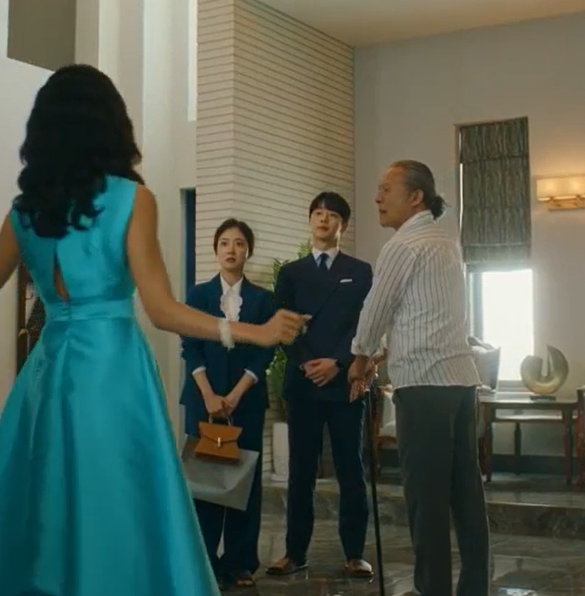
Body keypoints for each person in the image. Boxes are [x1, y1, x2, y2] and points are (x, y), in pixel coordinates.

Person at [0, 65, 305, 596]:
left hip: (48, 372)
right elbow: (162, 311)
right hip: (113, 370)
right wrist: (254, 332)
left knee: (35, 500)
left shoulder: (26, 213)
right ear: (111, 124)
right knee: (114, 504)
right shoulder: (132, 199)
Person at [348, 160, 488, 596]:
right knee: (466, 496)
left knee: (426, 502)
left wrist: (360, 357)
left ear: (415, 197)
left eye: (386, 188)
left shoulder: (404, 245)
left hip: (424, 388)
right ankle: (474, 589)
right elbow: (426, 318)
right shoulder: (446, 243)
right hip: (460, 383)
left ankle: (433, 590)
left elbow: (377, 308)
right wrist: (382, 353)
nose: (377, 197)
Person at [266, 192, 375, 580]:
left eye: (331, 215)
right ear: (310, 220)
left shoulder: (360, 271)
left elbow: (365, 325)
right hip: (304, 382)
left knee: (350, 469)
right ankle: (294, 553)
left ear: (343, 224)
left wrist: (339, 363)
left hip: (344, 383)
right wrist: (306, 362)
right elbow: (281, 324)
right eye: (317, 213)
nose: (323, 220)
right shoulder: (291, 273)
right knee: (301, 472)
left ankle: (355, 554)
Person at [181, 218, 276, 589]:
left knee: (244, 483)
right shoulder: (197, 295)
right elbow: (190, 347)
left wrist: (235, 394)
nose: (231, 249)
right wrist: (208, 394)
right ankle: (204, 561)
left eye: (238, 243)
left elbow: (264, 352)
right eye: (224, 243)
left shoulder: (263, 299)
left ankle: (240, 563)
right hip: (202, 400)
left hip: (245, 402)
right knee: (204, 483)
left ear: (248, 251)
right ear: (215, 250)